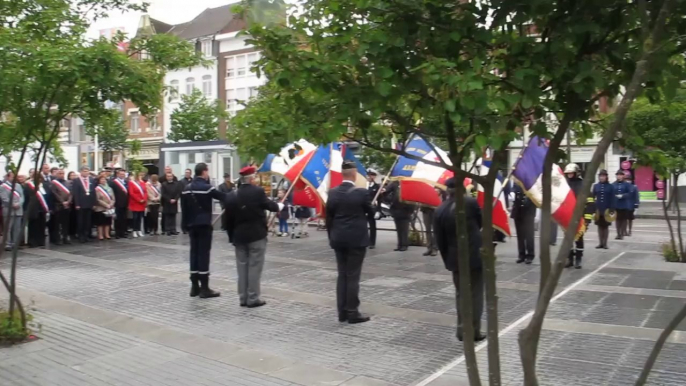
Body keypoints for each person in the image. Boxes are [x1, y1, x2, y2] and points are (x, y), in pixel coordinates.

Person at [434, 177, 485, 342]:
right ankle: (474, 331)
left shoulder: (440, 209)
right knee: (475, 295)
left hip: (455, 259)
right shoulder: (470, 203)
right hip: (474, 256)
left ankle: (462, 329)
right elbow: (480, 223)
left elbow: (440, 241)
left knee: (461, 295)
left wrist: (448, 260)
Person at [326, 160, 375, 323]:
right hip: (356, 240)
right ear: (354, 174)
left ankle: (342, 312)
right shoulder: (361, 193)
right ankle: (352, 312)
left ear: (342, 174)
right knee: (353, 276)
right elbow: (371, 213)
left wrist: (331, 237)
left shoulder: (332, 193)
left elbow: (329, 218)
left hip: (338, 239)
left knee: (342, 275)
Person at [225, 166, 280, 307]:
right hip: (256, 236)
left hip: (239, 236)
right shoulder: (258, 192)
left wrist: (232, 237)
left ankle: (243, 297)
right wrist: (279, 206)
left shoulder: (232, 195)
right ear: (250, 178)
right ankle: (253, 297)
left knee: (242, 268)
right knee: (255, 267)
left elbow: (228, 220)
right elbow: (270, 206)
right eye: (254, 176)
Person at [182, 163, 228, 299]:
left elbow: (184, 209)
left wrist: (184, 224)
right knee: (203, 254)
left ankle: (194, 286)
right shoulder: (207, 188)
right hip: (203, 224)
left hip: (191, 225)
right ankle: (204, 287)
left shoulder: (186, 188)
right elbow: (223, 197)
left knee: (194, 253)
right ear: (204, 172)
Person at [564, 163, 594, 269]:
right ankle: (570, 259)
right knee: (568, 239)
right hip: (567, 216)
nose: (569, 175)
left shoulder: (583, 185)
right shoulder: (564, 184)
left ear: (576, 173)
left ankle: (578, 259)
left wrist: (587, 219)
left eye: (571, 173)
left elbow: (590, 203)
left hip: (579, 216)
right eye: (568, 173)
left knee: (579, 239)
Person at [384, 180, 415, 251]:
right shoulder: (395, 183)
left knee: (404, 229)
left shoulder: (409, 184)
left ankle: (404, 244)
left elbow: (412, 200)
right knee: (398, 229)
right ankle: (400, 244)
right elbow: (388, 192)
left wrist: (410, 211)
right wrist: (384, 190)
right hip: (396, 210)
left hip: (405, 210)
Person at [511, 182, 536, 264]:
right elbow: (513, 191)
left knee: (529, 235)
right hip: (518, 211)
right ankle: (521, 255)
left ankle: (530, 255)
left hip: (528, 212)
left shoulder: (531, 182)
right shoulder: (517, 183)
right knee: (520, 235)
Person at [1, 172, 25, 251]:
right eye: (12, 177)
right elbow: (4, 198)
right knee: (8, 228)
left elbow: (22, 196)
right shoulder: (3, 187)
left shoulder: (18, 186)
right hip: (8, 210)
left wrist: (19, 203)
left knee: (17, 228)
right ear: (8, 177)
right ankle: (7, 244)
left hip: (18, 209)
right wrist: (12, 204)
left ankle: (15, 243)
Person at [592, 169, 615, 249]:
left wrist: (612, 210)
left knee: (605, 227)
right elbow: (592, 197)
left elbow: (613, 199)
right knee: (599, 226)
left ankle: (605, 243)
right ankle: (600, 243)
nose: (602, 178)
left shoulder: (610, 186)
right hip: (598, 209)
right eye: (600, 176)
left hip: (607, 209)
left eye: (603, 176)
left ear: (606, 177)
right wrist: (593, 208)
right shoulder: (596, 186)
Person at [25, 175, 51, 248]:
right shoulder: (29, 186)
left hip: (43, 209)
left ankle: (41, 241)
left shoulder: (44, 186)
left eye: (40, 178)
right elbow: (27, 198)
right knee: (33, 226)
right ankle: (32, 241)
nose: (39, 179)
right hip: (33, 209)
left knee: (41, 225)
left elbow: (48, 196)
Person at [71, 165, 94, 243]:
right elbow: (76, 193)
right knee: (81, 221)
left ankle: (86, 235)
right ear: (81, 172)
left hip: (89, 203)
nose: (86, 172)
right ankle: (81, 235)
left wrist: (93, 203)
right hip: (81, 203)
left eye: (87, 171)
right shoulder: (77, 180)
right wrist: (77, 204)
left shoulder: (91, 179)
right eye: (84, 171)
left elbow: (93, 192)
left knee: (88, 221)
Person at [49, 169, 72, 245]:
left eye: (63, 173)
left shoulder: (67, 183)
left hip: (67, 206)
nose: (61, 175)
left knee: (66, 223)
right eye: (60, 173)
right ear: (57, 174)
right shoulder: (54, 183)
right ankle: (58, 238)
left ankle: (65, 237)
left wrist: (68, 201)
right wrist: (62, 202)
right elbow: (54, 193)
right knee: (57, 224)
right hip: (58, 206)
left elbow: (71, 193)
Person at [421, 188, 444, 256]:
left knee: (435, 230)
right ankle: (429, 247)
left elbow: (440, 195)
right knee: (428, 230)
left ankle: (435, 248)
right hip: (425, 209)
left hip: (435, 209)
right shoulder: (423, 186)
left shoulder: (438, 186)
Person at [93, 175, 115, 240]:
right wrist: (106, 205)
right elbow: (98, 199)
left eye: (104, 179)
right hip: (100, 208)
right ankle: (100, 235)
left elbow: (113, 198)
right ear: (99, 181)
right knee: (100, 223)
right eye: (102, 179)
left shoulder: (110, 188)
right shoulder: (97, 189)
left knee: (108, 222)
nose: (103, 180)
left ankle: (107, 234)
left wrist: (111, 204)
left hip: (109, 208)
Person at [613, 170, 633, 240]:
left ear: (623, 176)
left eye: (620, 175)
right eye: (618, 175)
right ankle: (618, 233)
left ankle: (622, 233)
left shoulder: (626, 184)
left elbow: (629, 193)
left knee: (623, 219)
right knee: (617, 219)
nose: (619, 176)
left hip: (624, 204)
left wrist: (623, 195)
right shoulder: (613, 184)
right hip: (616, 204)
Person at [110, 169, 129, 239]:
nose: (122, 175)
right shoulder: (114, 182)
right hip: (117, 203)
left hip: (125, 203)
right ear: (117, 174)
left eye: (123, 174)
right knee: (117, 219)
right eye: (121, 174)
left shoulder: (126, 182)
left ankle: (123, 232)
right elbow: (112, 193)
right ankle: (117, 233)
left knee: (124, 218)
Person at [128, 171, 148, 238]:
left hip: (142, 203)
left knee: (140, 217)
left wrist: (144, 199)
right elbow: (131, 193)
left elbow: (145, 191)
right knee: (135, 217)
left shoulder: (142, 183)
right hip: (135, 203)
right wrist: (139, 199)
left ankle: (139, 230)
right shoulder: (131, 183)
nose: (141, 177)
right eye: (139, 175)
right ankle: (134, 230)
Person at [366, 169, 381, 249]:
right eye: (369, 175)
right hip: (363, 208)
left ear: (374, 176)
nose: (370, 176)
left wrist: (378, 210)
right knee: (363, 226)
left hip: (372, 209)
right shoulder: (364, 185)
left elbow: (379, 200)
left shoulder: (377, 186)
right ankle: (364, 241)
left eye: (372, 175)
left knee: (372, 226)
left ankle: (372, 242)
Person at [180, 168, 193, 234]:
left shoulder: (193, 181)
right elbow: (180, 191)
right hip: (184, 200)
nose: (187, 174)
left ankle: (190, 227)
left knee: (191, 214)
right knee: (184, 214)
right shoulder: (182, 181)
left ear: (190, 173)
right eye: (186, 172)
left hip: (191, 200)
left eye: (188, 172)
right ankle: (184, 228)